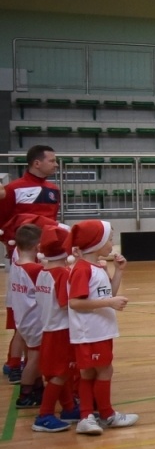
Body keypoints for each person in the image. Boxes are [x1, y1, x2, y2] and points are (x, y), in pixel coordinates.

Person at [67, 219, 137, 433]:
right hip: (90, 332)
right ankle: (105, 414)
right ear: (95, 242)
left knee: (89, 373)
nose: (112, 244)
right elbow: (74, 302)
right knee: (104, 370)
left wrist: (119, 272)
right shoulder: (82, 269)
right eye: (109, 239)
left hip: (99, 331)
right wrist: (109, 303)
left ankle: (88, 416)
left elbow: (109, 294)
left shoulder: (96, 267)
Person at [1, 144, 60, 384]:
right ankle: (14, 363)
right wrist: (14, 248)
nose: (56, 164)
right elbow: (3, 222)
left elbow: (53, 223)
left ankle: (30, 362)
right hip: (22, 258)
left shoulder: (53, 190)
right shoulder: (13, 189)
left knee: (40, 311)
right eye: (52, 160)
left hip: (44, 257)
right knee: (22, 312)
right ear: (37, 163)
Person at [29, 225, 78, 431]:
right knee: (59, 374)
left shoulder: (43, 272)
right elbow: (67, 304)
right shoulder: (62, 274)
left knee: (62, 372)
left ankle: (68, 408)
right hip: (61, 330)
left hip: (48, 328)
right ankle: (44, 414)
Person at [8, 221, 45, 408]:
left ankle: (38, 388)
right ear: (38, 246)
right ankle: (25, 395)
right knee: (35, 358)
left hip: (23, 318)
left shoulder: (16, 264)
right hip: (34, 320)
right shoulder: (35, 269)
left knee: (34, 356)